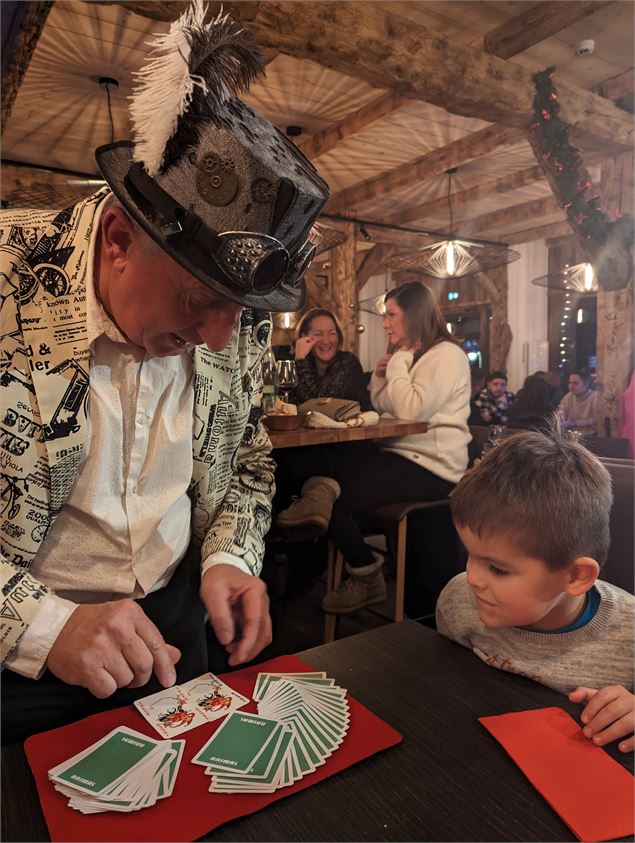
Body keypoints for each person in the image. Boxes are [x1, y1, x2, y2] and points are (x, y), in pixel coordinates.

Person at [0, 2, 329, 742]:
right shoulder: (7, 279)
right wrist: (43, 625)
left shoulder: (229, 327)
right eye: (198, 300)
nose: (219, 338)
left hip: (176, 628)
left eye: (236, 314)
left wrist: (228, 556)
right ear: (119, 237)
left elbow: (246, 460)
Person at [436, 429, 634, 753]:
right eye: (470, 553)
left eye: (497, 568)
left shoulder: (629, 637)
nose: (471, 577)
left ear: (575, 576)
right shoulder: (458, 602)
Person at [322, 281, 471, 614]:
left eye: (391, 315)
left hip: (431, 467)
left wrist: (398, 366)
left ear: (414, 315)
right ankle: (362, 566)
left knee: (330, 493)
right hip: (403, 457)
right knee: (325, 474)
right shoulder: (415, 356)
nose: (385, 323)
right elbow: (385, 404)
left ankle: (365, 572)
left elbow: (409, 411)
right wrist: (380, 377)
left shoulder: (445, 355)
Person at [274, 309, 372, 542]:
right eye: (318, 334)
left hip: (347, 450)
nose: (327, 340)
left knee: (294, 475)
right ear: (305, 337)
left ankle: (298, 549)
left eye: (332, 333)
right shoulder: (298, 364)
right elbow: (286, 406)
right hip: (310, 451)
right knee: (277, 470)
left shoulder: (347, 363)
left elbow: (317, 404)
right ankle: (286, 553)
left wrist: (298, 361)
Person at [558, 370, 599, 436]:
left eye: (575, 383)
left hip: (590, 436)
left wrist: (576, 423)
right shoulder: (568, 396)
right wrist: (561, 418)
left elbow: (596, 420)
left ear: (586, 384)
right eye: (570, 383)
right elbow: (561, 410)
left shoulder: (595, 397)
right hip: (570, 436)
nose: (571, 387)